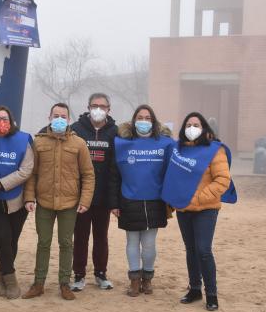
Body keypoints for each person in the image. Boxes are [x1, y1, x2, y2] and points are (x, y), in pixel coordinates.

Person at [161, 112, 236, 311]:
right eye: (188, 124)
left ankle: (211, 293)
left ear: (204, 128)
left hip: (206, 208)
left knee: (203, 250)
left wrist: (199, 198)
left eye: (196, 124)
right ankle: (195, 288)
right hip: (184, 209)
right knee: (191, 250)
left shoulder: (214, 150)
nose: (192, 128)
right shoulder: (179, 150)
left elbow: (223, 181)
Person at [22, 103, 95, 300]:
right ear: (49, 117)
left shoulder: (79, 144)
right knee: (43, 242)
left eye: (63, 116)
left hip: (69, 203)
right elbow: (32, 173)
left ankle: (65, 283)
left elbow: (88, 174)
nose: (60, 119)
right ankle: (38, 283)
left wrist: (85, 200)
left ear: (69, 119)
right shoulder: (38, 143)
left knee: (66, 243)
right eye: (56, 115)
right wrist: (29, 197)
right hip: (44, 202)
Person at [109, 104, 174, 297]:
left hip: (155, 201)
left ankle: (148, 279)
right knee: (132, 242)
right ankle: (134, 281)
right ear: (133, 120)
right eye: (140, 117)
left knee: (149, 244)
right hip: (129, 200)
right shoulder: (122, 143)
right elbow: (114, 176)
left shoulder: (166, 143)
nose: (143, 121)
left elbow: (174, 172)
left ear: (153, 121)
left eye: (147, 118)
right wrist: (114, 203)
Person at [0, 105, 33, 299]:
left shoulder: (23, 139)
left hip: (17, 200)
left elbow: (26, 170)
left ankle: (2, 274)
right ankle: (11, 279)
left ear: (11, 121)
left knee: (12, 242)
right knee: (2, 239)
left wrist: (0, 184)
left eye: (5, 118)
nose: (1, 122)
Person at [69, 93, 118, 292]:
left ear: (109, 109)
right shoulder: (76, 129)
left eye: (102, 106)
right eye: (94, 105)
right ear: (88, 107)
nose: (98, 109)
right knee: (80, 236)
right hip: (80, 196)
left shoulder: (115, 132)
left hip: (104, 196)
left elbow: (116, 167)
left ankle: (100, 273)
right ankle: (79, 275)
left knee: (101, 236)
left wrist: (114, 199)